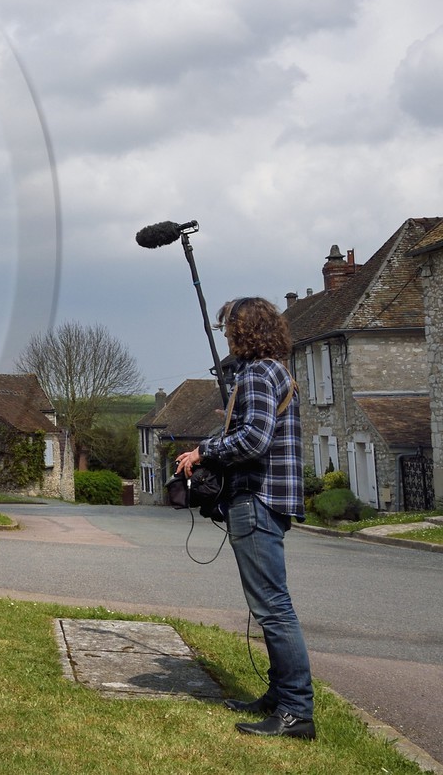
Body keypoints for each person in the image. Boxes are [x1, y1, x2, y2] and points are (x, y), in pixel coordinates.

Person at [176, 296, 314, 740]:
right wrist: (221, 434)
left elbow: (254, 440)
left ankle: (295, 710)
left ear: (243, 331)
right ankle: (278, 698)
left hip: (256, 499)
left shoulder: (255, 373)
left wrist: (205, 451)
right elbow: (257, 430)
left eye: (228, 329)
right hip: (274, 498)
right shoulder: (277, 370)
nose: (227, 338)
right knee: (272, 604)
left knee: (273, 607)